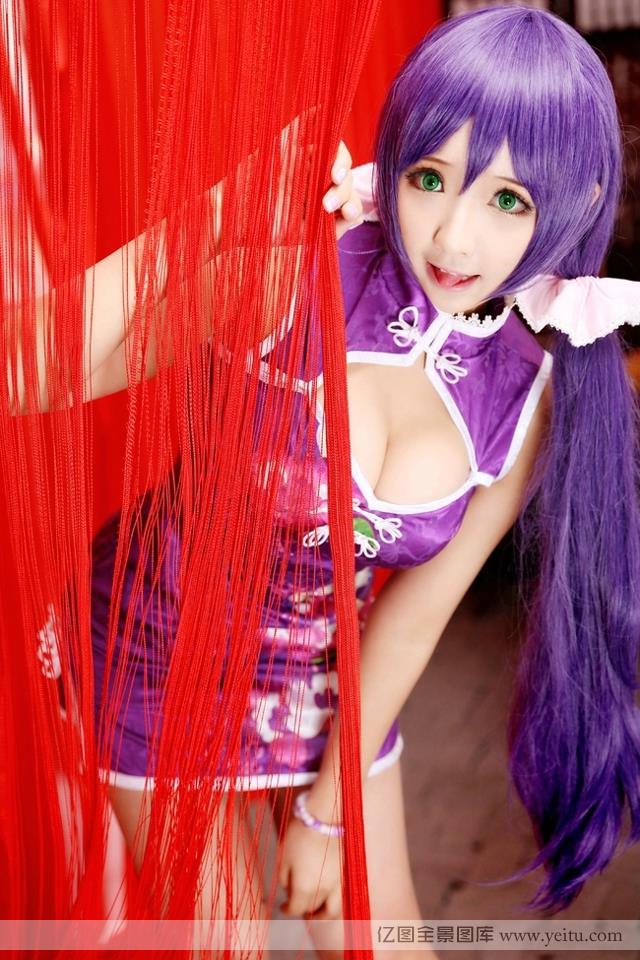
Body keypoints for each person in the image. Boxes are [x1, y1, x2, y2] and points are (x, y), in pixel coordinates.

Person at [36, 4, 640, 956]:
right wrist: (213, 218)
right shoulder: (286, 282)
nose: (453, 239)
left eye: (508, 201)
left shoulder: (526, 394)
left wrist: (327, 811)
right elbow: (30, 372)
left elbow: (415, 615)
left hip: (328, 684)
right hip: (159, 656)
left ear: (578, 198)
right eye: (430, 178)